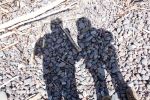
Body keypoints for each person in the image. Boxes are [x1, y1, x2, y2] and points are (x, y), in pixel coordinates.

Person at [34, 18, 80, 100]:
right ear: (61, 26)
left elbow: (37, 53)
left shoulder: (45, 38)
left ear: (51, 27)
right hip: (66, 72)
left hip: (51, 73)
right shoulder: (67, 38)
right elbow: (77, 54)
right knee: (70, 94)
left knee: (54, 94)